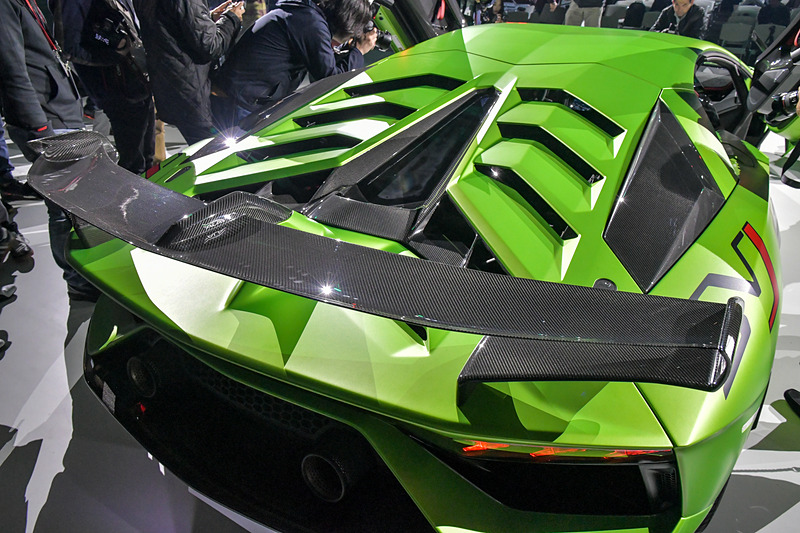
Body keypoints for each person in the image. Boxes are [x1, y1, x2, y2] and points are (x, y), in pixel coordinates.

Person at [0, 0, 97, 300]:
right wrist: (38, 127)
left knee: (72, 203)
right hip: (46, 119)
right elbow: (11, 69)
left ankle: (83, 277)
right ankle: (79, 280)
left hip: (59, 112)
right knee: (64, 207)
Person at [211, 0, 377, 129]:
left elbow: (322, 66)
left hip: (233, 99)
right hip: (236, 106)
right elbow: (331, 80)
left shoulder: (303, 13)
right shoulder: (311, 24)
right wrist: (358, 51)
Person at [54, 0, 156, 174]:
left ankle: (147, 185)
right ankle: (134, 189)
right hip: (116, 87)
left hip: (137, 80)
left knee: (147, 158)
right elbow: (70, 47)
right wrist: (114, 52)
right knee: (134, 162)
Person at [133, 0, 245, 145]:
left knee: (204, 148)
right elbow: (211, 46)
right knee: (215, 151)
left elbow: (171, 27)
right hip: (193, 91)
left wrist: (208, 18)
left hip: (172, 86)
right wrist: (231, 18)